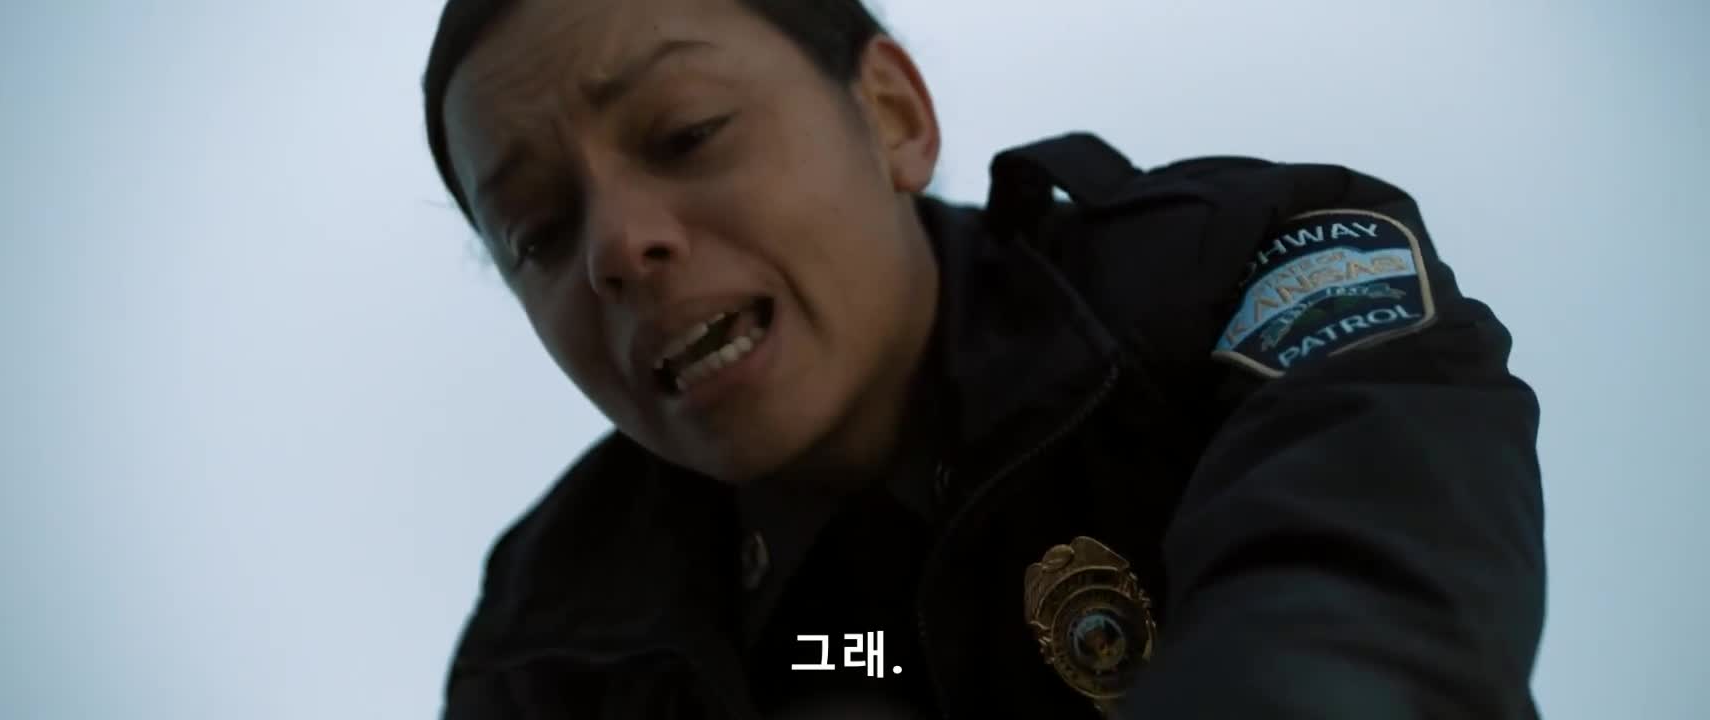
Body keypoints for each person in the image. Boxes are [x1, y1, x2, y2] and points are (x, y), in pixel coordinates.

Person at [422, 0, 1547, 717]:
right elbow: (858, 659)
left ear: (892, 114)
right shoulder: (556, 646)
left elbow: (1353, 623)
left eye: (686, 133)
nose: (618, 248)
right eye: (538, 231)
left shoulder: (1235, 281)